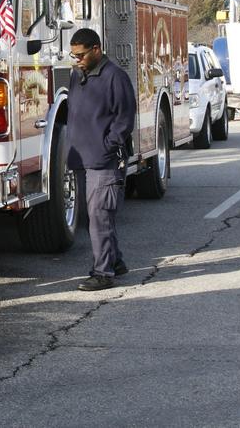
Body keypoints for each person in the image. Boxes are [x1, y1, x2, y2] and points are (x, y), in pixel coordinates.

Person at [65, 28, 137, 291]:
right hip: (82, 160)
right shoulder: (77, 75)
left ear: (96, 49)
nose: (77, 60)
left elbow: (125, 118)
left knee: (100, 216)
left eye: (81, 55)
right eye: (73, 56)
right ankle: (115, 261)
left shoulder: (115, 77)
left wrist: (109, 146)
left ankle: (103, 273)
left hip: (104, 161)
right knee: (92, 216)